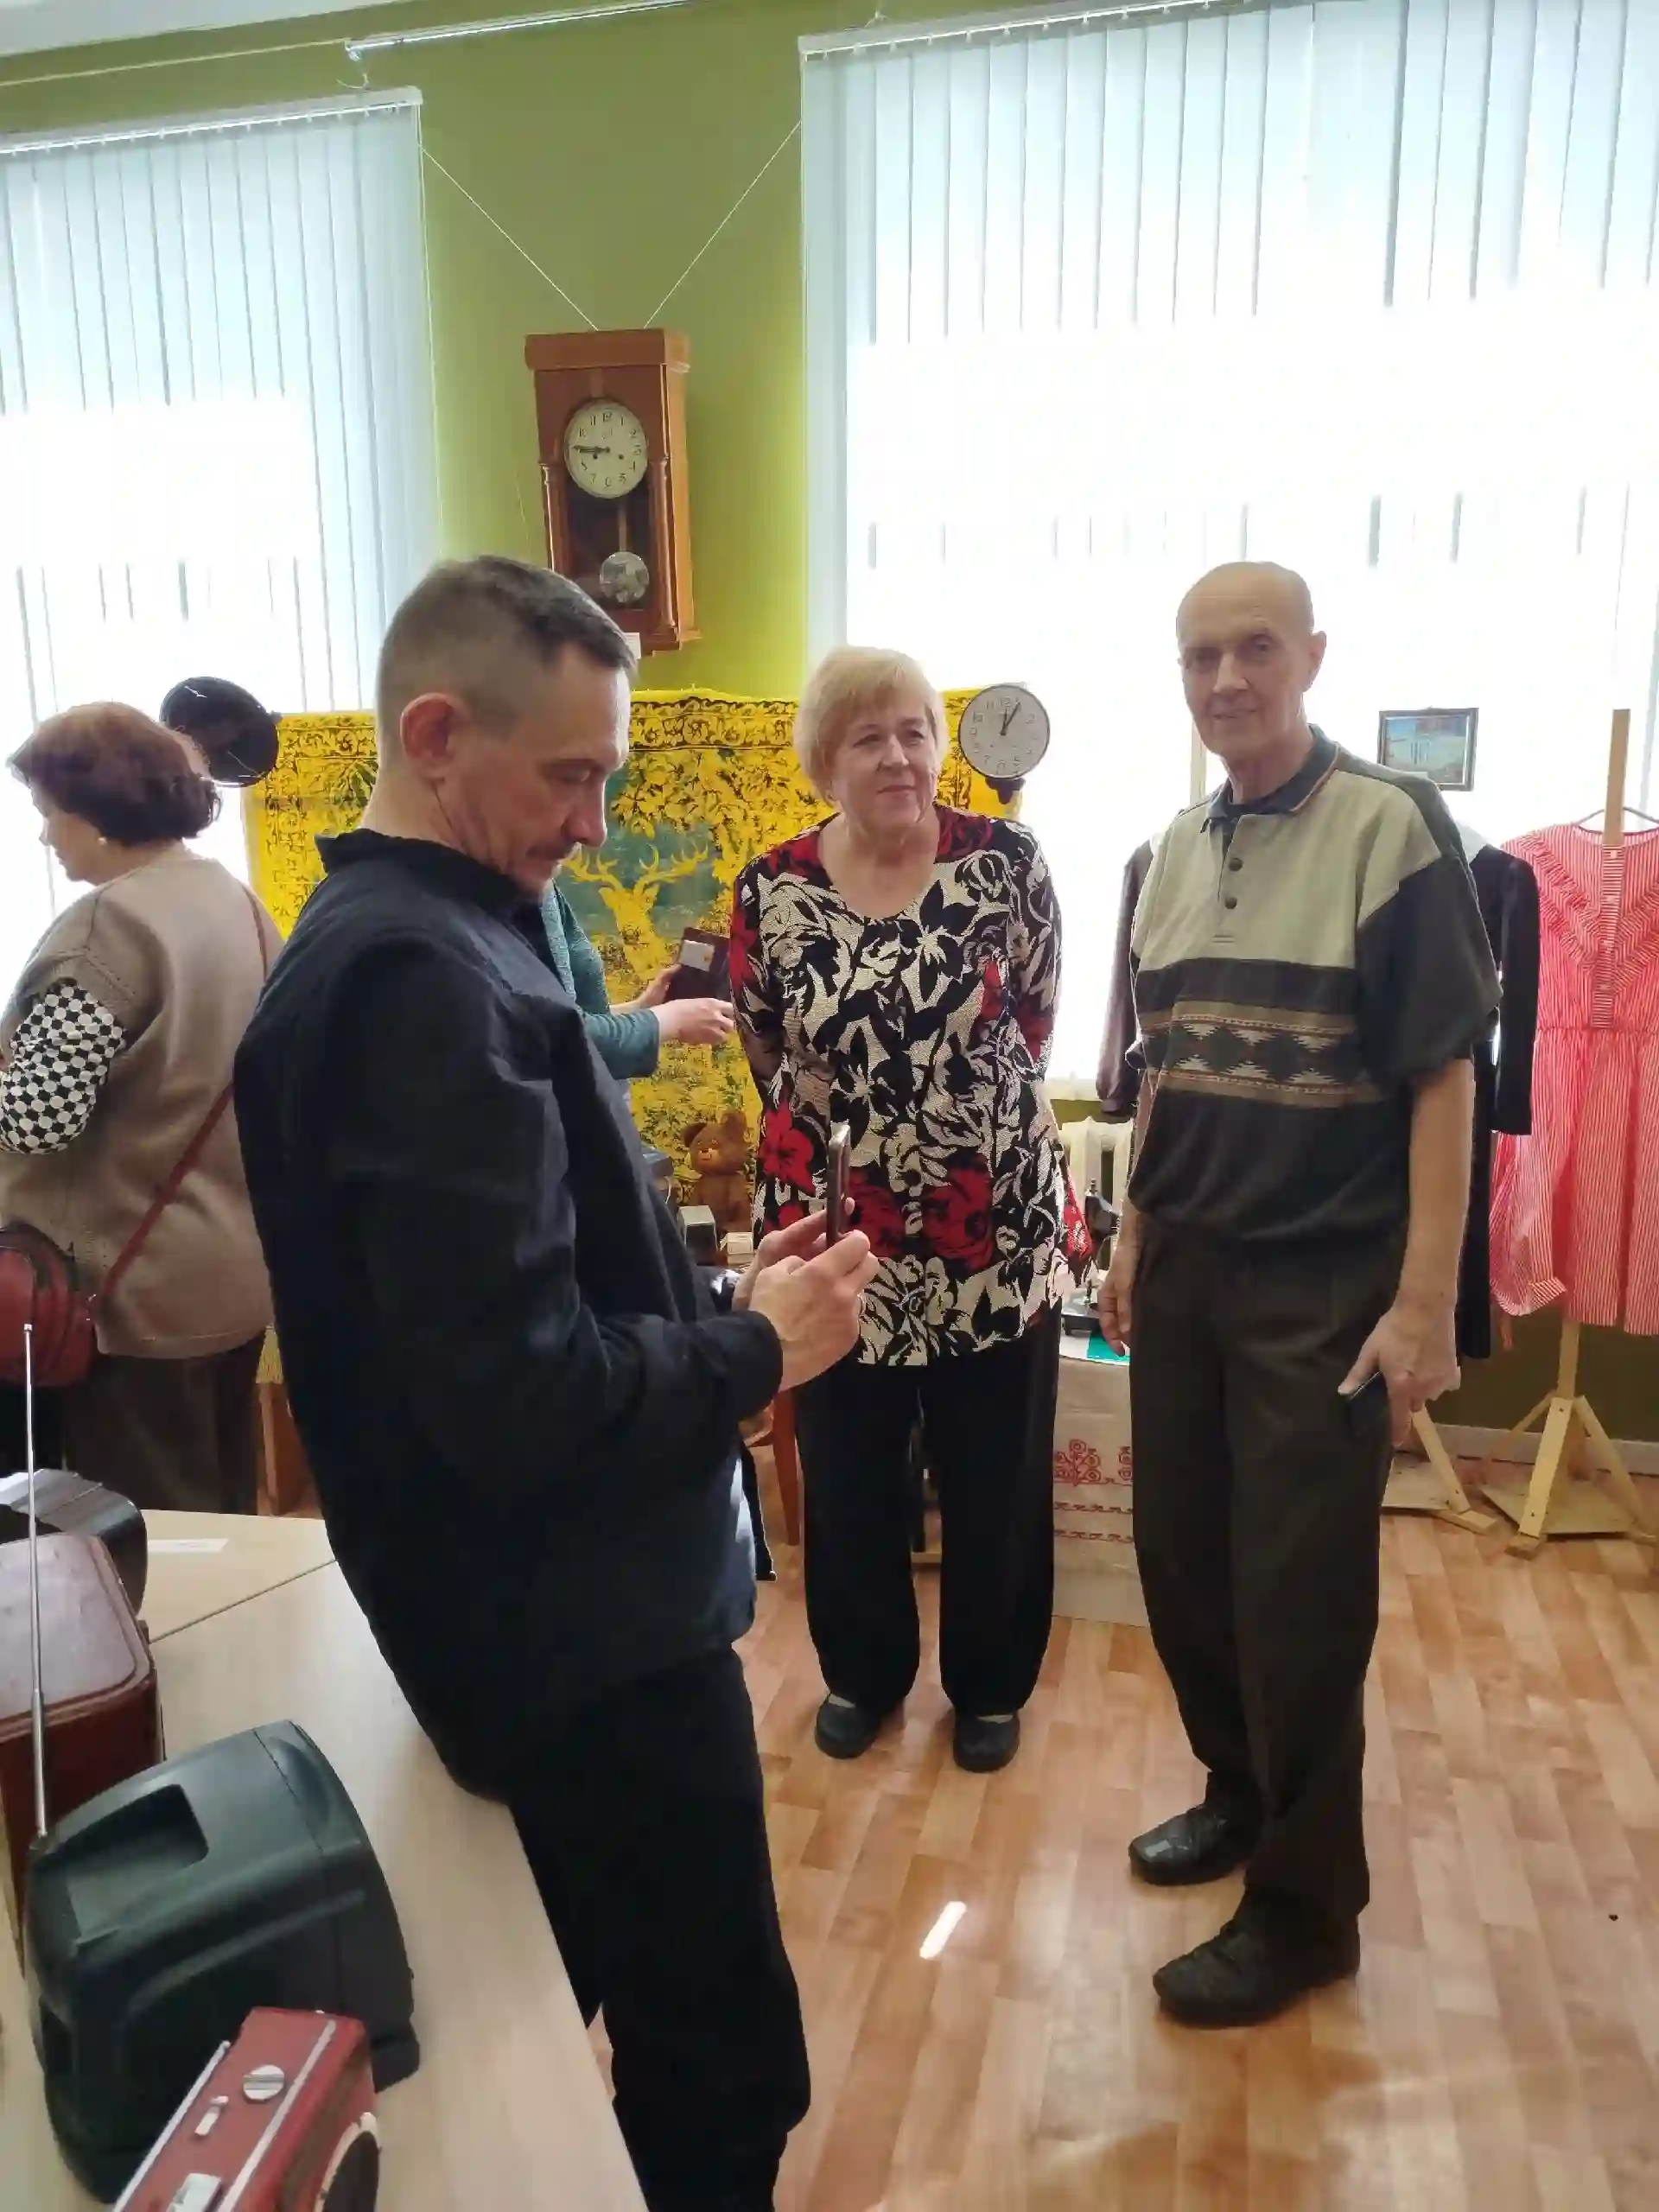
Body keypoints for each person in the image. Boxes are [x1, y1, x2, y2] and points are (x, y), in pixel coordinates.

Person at [232, 556, 878, 2212]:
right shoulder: (419, 984)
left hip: (560, 1622)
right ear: (436, 735)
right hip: (583, 1649)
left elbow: (513, 1290)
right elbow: (518, 1397)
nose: (595, 825)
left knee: (560, 2002)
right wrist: (757, 1348)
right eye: (570, 777)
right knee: (721, 2062)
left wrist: (715, 1292)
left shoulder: (439, 933)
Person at [1098, 563, 1498, 2027]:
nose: (1226, 679)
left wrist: (1425, 1302)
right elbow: (1158, 1073)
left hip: (1321, 1280)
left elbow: (1444, 1074)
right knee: (1184, 1565)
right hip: (1186, 1265)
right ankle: (1239, 1791)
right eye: (1199, 655)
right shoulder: (1167, 851)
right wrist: (1133, 1239)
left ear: (1312, 656)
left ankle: (1307, 1908)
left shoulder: (1392, 829)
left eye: (1255, 648)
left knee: (1300, 1601)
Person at [731, 646, 1090, 1777]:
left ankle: (989, 1685)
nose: (897, 755)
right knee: (848, 1468)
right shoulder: (772, 885)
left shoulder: (1006, 864)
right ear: (824, 761)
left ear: (940, 747)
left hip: (995, 1224)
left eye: (914, 731)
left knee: (997, 1470)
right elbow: (764, 1043)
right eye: (868, 736)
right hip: (839, 1234)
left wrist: (952, 1117)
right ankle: (863, 1672)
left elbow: (1035, 1019)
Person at [0, 705, 278, 1509]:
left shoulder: (109, 928)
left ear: (97, 812)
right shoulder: (233, 900)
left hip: (128, 1299)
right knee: (225, 1526)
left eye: (50, 812)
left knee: (145, 1536)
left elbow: (37, 1119)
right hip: (232, 1271)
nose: (46, 836)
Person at [540, 874, 733, 1080]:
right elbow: (559, 1038)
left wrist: (641, 1008)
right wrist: (671, 1019)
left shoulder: (545, 887)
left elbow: (577, 1017)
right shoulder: (530, 894)